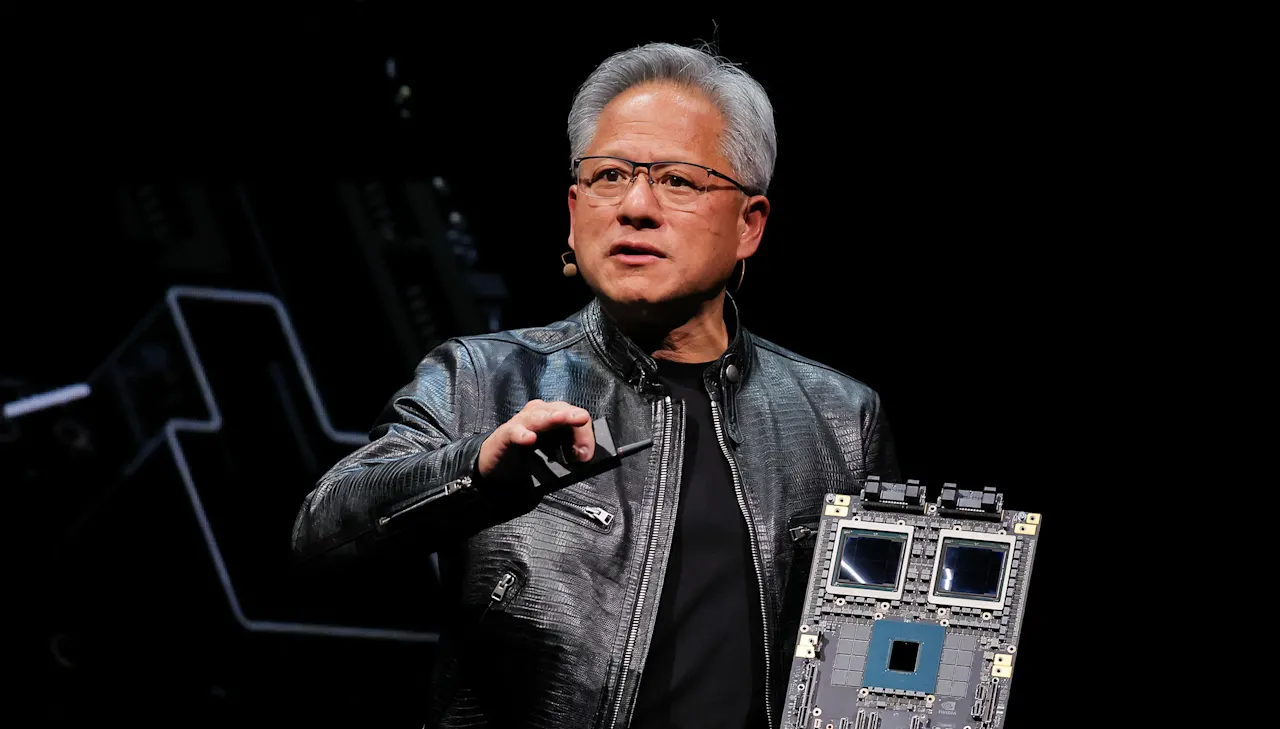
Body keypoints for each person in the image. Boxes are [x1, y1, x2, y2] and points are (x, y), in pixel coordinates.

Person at [292, 41, 899, 729]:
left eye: (679, 180)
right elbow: (320, 537)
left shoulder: (841, 418)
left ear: (748, 225)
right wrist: (477, 473)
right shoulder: (481, 378)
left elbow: (869, 672)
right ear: (574, 210)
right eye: (609, 176)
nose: (635, 206)